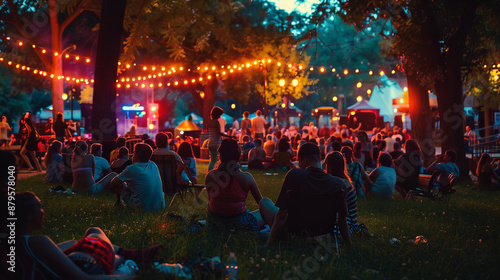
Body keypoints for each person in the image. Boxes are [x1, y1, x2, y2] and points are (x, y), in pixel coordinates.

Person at [8, 191, 159, 279]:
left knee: (75, 241)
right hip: (87, 266)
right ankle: (131, 255)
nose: (43, 212)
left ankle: (129, 255)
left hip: (80, 262)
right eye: (40, 208)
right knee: (94, 231)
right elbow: (84, 279)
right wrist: (133, 277)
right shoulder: (39, 242)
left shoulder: (14, 244)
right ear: (28, 215)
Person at [261, 143, 351, 245]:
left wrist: (268, 244)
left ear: (303, 159)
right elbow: (342, 222)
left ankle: (270, 236)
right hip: (322, 236)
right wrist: (349, 245)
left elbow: (281, 215)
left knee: (264, 202)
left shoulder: (294, 176)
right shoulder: (338, 184)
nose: (299, 165)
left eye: (299, 161)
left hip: (295, 235)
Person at [205, 139, 267, 232]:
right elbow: (261, 203)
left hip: (215, 223)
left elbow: (211, 201)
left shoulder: (210, 176)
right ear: (239, 155)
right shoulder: (246, 178)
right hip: (240, 224)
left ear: (220, 155)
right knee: (268, 208)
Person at [110, 143, 165, 212]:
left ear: (137, 155)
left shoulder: (132, 168)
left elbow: (113, 183)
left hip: (141, 209)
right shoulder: (153, 165)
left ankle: (118, 203)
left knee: (118, 185)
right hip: (159, 207)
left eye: (134, 153)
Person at [325, 152, 360, 236]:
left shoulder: (339, 184)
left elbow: (340, 215)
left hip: (348, 224)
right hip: (350, 222)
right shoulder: (344, 181)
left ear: (329, 167)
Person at [207, 107, 234, 171]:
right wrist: (230, 136)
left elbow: (209, 132)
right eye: (220, 115)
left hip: (210, 143)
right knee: (219, 159)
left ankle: (209, 171)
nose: (220, 116)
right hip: (217, 143)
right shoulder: (216, 122)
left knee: (212, 159)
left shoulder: (208, 123)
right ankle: (217, 171)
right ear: (217, 114)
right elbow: (219, 133)